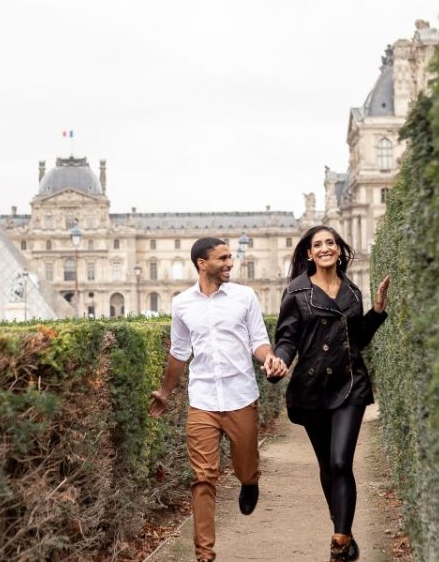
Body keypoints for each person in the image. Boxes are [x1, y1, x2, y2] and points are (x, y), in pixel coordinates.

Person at [150, 236, 288, 562]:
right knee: (202, 477)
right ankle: (204, 555)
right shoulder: (182, 303)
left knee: (245, 465)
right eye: (222, 258)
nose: (230, 263)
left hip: (241, 396)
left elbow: (259, 341)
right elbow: (179, 352)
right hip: (203, 401)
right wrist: (165, 392)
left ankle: (249, 481)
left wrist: (269, 358)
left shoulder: (244, 296)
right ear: (202, 263)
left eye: (230, 257)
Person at [271, 225, 390, 562]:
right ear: (309, 254)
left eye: (331, 243)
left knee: (340, 461)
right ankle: (343, 526)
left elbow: (358, 340)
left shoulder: (352, 291)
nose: (325, 248)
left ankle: (339, 542)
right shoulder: (296, 293)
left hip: (349, 385)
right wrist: (279, 361)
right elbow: (287, 339)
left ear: (339, 250)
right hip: (311, 389)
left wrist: (377, 311)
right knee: (328, 466)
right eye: (317, 244)